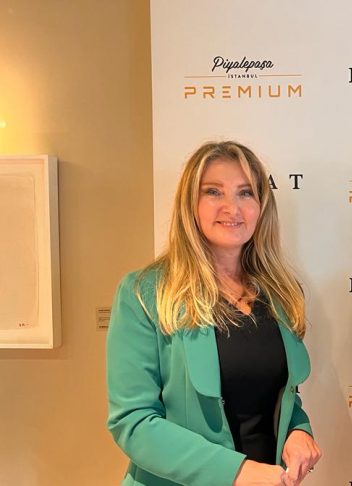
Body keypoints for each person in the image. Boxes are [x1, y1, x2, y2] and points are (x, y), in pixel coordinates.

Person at [107, 141, 321, 486]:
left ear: (261, 206)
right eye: (213, 192)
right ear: (190, 204)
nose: (231, 207)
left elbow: (278, 394)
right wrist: (237, 472)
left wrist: (299, 429)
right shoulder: (145, 293)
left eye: (245, 193)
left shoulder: (280, 292)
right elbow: (134, 422)